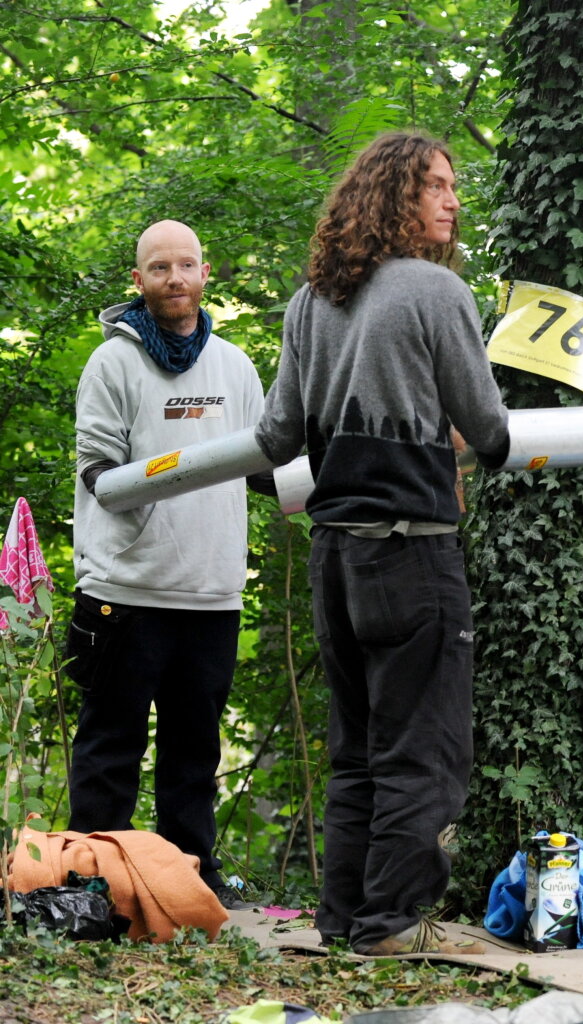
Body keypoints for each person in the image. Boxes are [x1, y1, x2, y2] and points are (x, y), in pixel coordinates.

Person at [253, 132, 510, 955]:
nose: (452, 200)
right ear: (395, 194)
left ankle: (343, 921)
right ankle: (395, 924)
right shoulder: (434, 291)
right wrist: (448, 431)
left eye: (453, 186)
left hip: (336, 556)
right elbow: (492, 431)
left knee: (357, 750)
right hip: (411, 551)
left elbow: (275, 434)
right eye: (435, 185)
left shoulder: (308, 302)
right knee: (422, 750)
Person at [66, 219, 264, 911]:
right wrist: (171, 475)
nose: (175, 279)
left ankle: (191, 883)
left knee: (194, 757)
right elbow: (97, 470)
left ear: (206, 274)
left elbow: (266, 463)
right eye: (159, 268)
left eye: (186, 266)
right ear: (139, 280)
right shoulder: (112, 364)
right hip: (125, 590)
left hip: (211, 595)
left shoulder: (235, 366)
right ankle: (92, 888)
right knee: (109, 750)